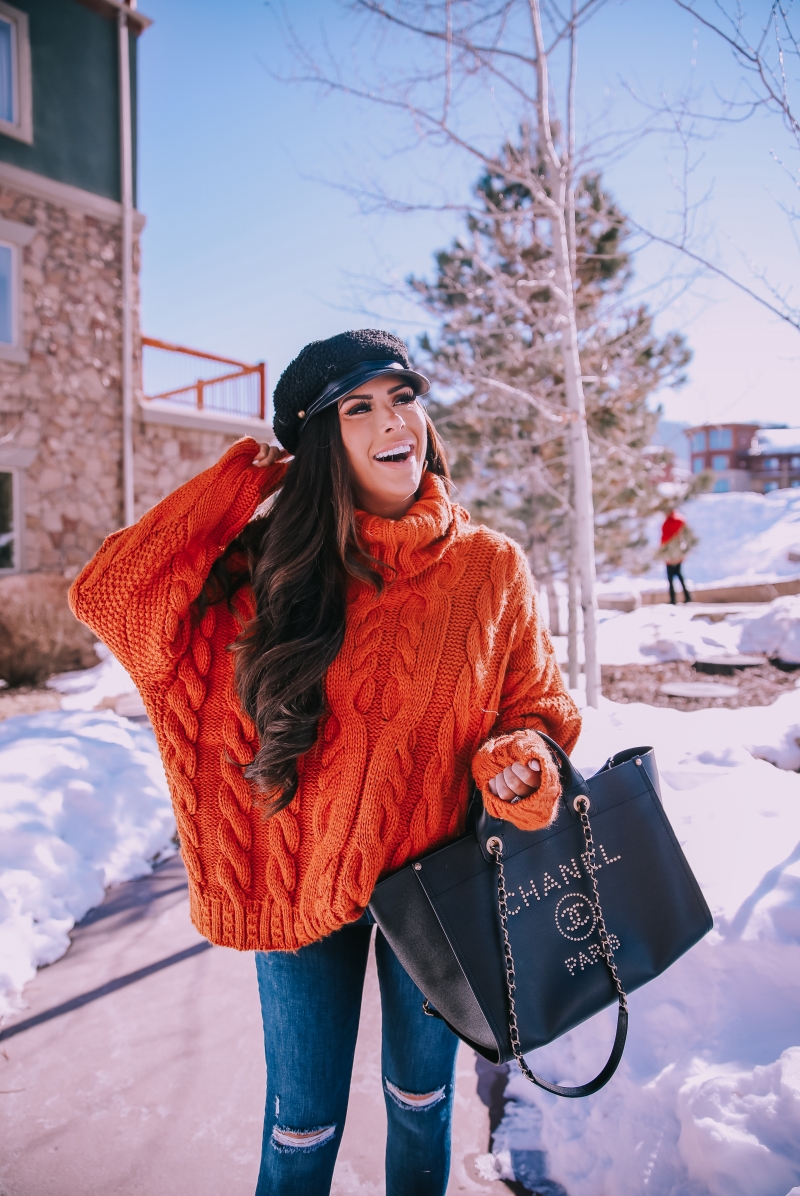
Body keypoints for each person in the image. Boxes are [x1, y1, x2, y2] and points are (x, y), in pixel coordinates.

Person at [70, 329, 581, 1196]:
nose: (395, 422)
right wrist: (249, 478)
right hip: (296, 884)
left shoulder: (491, 567)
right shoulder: (265, 566)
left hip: (439, 887)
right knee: (301, 1127)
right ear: (319, 440)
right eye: (358, 407)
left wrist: (522, 761)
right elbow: (109, 596)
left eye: (403, 397)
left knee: (420, 1101)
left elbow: (538, 709)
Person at [658, 509, 697, 605]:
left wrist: (663, 552)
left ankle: (673, 599)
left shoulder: (667, 523)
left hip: (670, 554)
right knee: (679, 575)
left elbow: (664, 539)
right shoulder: (680, 520)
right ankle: (687, 596)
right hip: (678, 553)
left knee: (671, 578)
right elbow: (687, 537)